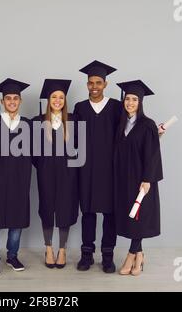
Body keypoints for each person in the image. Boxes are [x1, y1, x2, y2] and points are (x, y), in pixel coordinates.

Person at [73, 60, 121, 273]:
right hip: (87, 170)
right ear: (87, 84)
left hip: (110, 171)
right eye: (90, 82)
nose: (94, 86)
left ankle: (108, 256)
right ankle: (87, 255)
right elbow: (72, 138)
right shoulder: (80, 108)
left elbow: (128, 134)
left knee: (110, 215)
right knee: (89, 213)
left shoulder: (116, 107)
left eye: (98, 82)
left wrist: (153, 133)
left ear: (105, 84)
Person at [114, 80, 163, 276]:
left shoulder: (147, 125)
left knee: (138, 218)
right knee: (131, 218)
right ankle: (140, 256)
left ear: (141, 102)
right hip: (123, 180)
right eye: (127, 99)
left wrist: (147, 180)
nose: (130, 103)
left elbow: (152, 155)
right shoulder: (120, 124)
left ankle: (131, 255)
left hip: (141, 180)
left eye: (135, 99)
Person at [0, 78, 32, 277]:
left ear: (20, 101)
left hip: (20, 180)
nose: (12, 101)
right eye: (8, 98)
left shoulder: (30, 126)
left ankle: (12, 256)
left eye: (15, 98)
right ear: (2, 101)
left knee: (17, 220)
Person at [32, 79, 79, 269]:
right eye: (54, 97)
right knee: (47, 209)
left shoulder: (74, 120)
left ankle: (62, 250)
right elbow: (34, 153)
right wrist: (44, 166)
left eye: (61, 97)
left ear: (65, 100)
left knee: (65, 210)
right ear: (48, 99)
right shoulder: (38, 122)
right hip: (46, 173)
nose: (57, 100)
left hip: (68, 174)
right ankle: (49, 248)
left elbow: (81, 149)